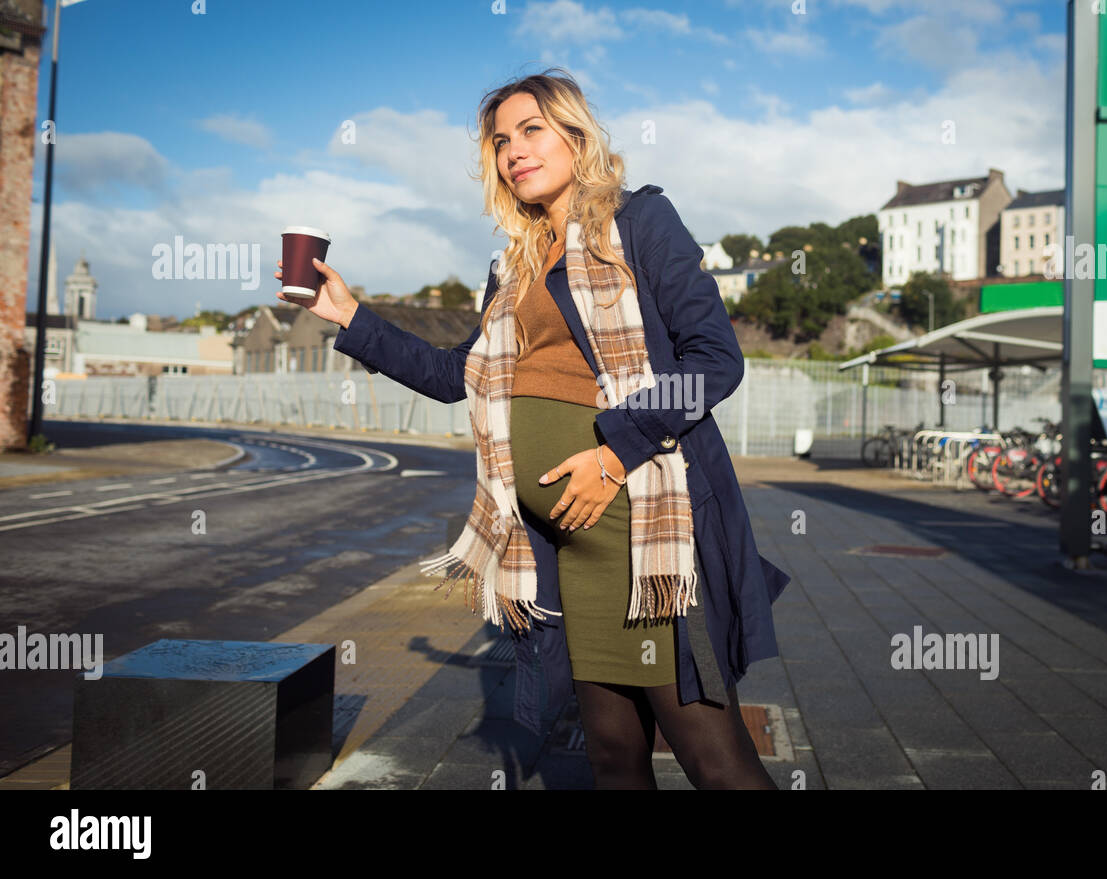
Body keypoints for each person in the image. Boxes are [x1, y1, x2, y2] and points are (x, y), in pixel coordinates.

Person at [275, 68, 787, 789]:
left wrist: (613, 454)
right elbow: (460, 375)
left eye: (531, 130)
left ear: (576, 136)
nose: (514, 149)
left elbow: (714, 361)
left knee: (713, 756)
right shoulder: (512, 265)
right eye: (500, 140)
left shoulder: (640, 222)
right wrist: (353, 318)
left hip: (643, 529)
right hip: (561, 545)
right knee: (610, 753)